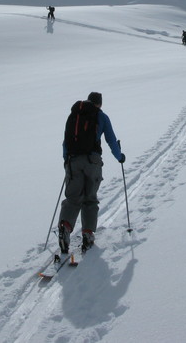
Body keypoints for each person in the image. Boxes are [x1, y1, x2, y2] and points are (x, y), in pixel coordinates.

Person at [58, 92, 125, 253]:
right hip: (92, 162)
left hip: (73, 161)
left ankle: (65, 227)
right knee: (90, 198)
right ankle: (87, 234)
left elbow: (66, 141)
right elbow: (110, 139)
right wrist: (119, 156)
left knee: (73, 197)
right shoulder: (101, 117)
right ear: (99, 104)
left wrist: (67, 161)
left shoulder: (74, 115)